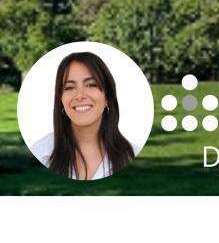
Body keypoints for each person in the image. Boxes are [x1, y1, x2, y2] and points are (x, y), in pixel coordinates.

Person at [30, 51, 139, 180]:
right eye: (69, 87)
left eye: (91, 85)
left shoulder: (133, 156)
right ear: (61, 99)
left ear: (107, 97)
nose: (80, 95)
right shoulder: (40, 153)